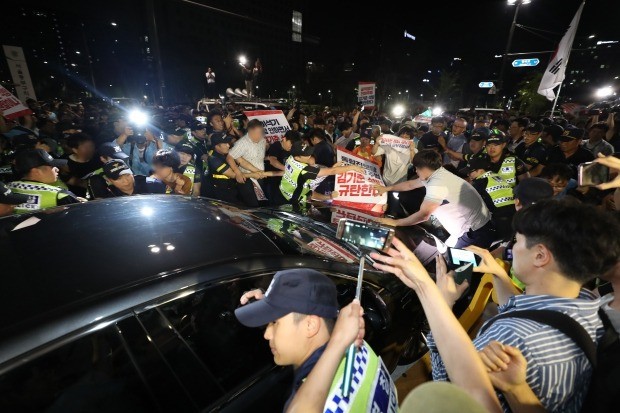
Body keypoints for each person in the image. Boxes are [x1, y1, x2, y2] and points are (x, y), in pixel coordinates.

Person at [462, 200, 620, 413]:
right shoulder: (588, 304)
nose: (512, 249)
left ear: (540, 256)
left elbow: (451, 388)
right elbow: (532, 312)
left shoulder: (509, 337)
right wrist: (499, 274)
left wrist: (436, 298)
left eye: (517, 241)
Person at [234, 268, 399, 413]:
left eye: (274, 322)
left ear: (310, 325)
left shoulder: (313, 401)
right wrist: (269, 308)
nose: (267, 334)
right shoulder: (357, 346)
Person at [376, 150, 494, 248]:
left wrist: (395, 222)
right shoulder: (437, 172)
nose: (416, 171)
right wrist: (387, 188)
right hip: (472, 227)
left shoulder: (437, 185)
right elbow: (410, 185)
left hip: (474, 232)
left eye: (417, 168)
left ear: (424, 168)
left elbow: (423, 215)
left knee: (454, 266)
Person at [279, 141, 364, 204]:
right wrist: (352, 167)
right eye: (306, 154)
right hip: (293, 202)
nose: (309, 155)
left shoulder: (290, 158)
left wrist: (332, 169)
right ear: (297, 157)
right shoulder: (304, 170)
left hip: (284, 191)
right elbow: (332, 171)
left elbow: (329, 171)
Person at [204, 133, 270, 204]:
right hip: (223, 192)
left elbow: (242, 161)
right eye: (225, 144)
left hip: (233, 187)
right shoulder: (214, 159)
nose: (228, 145)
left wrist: (258, 171)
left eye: (228, 143)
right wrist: (254, 174)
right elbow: (233, 175)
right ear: (217, 146)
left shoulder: (226, 151)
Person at [9, 148, 81, 212]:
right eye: (52, 166)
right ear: (36, 172)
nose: (57, 169)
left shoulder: (7, 189)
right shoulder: (61, 195)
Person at [460, 156, 515, 240]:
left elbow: (468, 202)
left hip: (501, 217)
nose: (468, 175)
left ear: (481, 170)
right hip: (515, 210)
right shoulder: (495, 175)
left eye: (470, 172)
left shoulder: (480, 182)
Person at [227, 119, 268, 207]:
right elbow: (229, 157)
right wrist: (237, 172)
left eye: (260, 132)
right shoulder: (242, 143)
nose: (258, 136)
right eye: (255, 133)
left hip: (260, 176)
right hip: (247, 179)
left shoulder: (263, 141)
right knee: (252, 205)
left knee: (261, 203)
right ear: (249, 131)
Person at [98, 159, 166, 197]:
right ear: (109, 180)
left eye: (127, 175)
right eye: (119, 178)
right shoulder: (110, 198)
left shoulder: (154, 185)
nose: (126, 181)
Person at [266, 130, 299, 205]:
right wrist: (288, 170)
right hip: (274, 182)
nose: (291, 147)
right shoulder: (276, 146)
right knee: (274, 205)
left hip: (286, 184)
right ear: (284, 139)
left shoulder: (293, 149)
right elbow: (273, 161)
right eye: (291, 144)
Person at [63, 132, 100, 197]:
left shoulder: (98, 157)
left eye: (91, 146)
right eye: (86, 147)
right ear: (75, 150)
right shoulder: (64, 164)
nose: (91, 150)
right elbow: (76, 182)